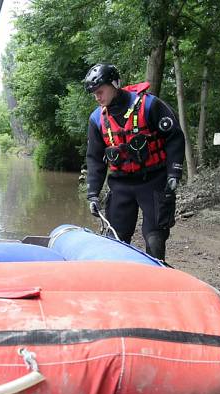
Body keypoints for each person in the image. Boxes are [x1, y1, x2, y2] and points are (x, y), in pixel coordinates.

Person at [83, 63, 184, 261]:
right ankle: (118, 281)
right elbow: (95, 159)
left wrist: (174, 173)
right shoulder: (96, 119)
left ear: (114, 84)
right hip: (121, 184)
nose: (97, 97)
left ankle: (156, 279)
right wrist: (92, 193)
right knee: (115, 239)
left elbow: (174, 137)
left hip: (153, 180)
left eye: (100, 91)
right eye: (94, 93)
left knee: (155, 237)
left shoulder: (149, 105)